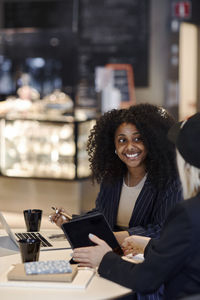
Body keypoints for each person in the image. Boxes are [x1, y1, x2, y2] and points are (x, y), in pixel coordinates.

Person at [72, 112, 200, 300]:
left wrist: (105, 258)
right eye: (122, 140)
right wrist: (149, 246)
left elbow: (146, 280)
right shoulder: (112, 178)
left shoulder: (188, 212)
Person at [50, 103, 183, 245]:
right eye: (122, 140)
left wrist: (110, 237)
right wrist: (71, 222)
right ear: (113, 145)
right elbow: (101, 215)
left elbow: (162, 230)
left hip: (149, 259)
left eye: (138, 139)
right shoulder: (113, 176)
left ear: (152, 141)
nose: (130, 147)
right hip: (112, 254)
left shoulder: (171, 179)